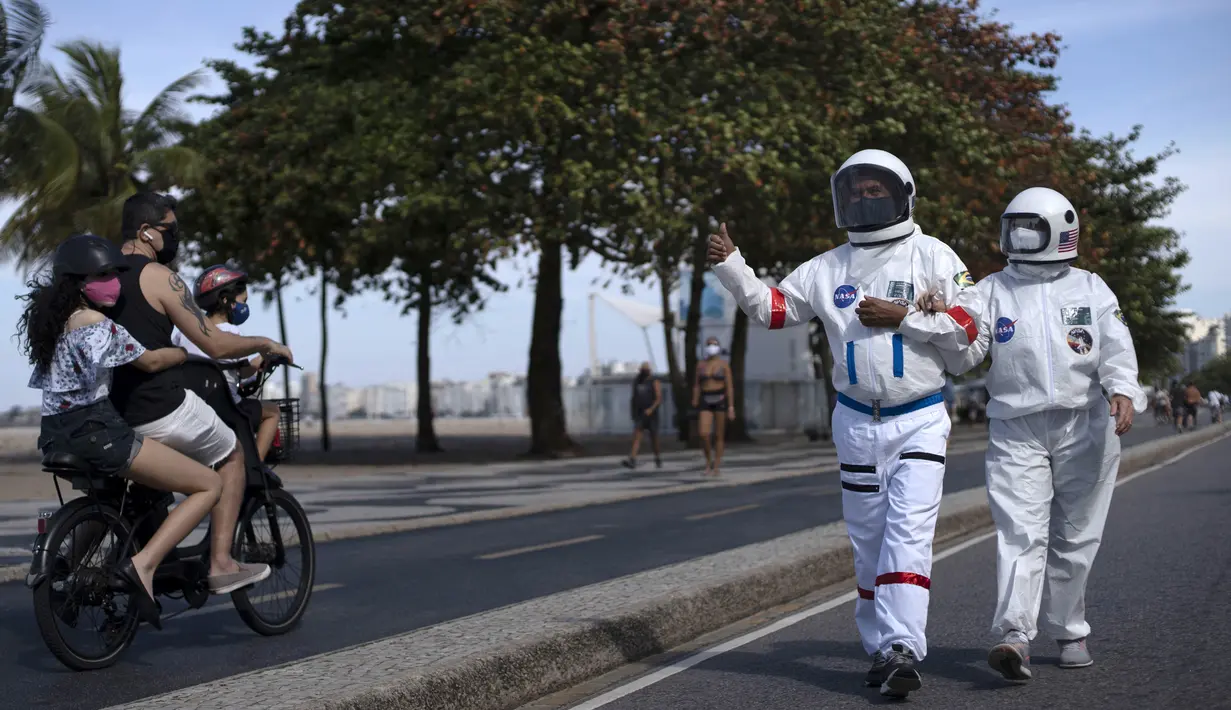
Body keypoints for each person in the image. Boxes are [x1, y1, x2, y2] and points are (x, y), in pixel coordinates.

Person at [708, 149, 984, 698]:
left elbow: (972, 327)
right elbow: (774, 310)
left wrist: (906, 315)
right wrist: (733, 265)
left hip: (921, 417)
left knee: (908, 531)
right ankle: (881, 645)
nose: (863, 198)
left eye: (875, 189)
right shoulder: (827, 266)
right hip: (855, 422)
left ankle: (904, 644)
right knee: (868, 540)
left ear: (902, 194)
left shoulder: (933, 255)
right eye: (854, 190)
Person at [928, 187, 1147, 681]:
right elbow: (965, 352)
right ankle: (1014, 636)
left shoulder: (1091, 289)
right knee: (1019, 531)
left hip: (1086, 421)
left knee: (1075, 534)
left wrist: (1123, 390)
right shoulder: (990, 289)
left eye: (1031, 227)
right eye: (1014, 228)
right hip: (1015, 426)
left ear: (1060, 231)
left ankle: (1070, 630)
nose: (1019, 237)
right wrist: (940, 318)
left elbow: (1116, 347)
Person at [18, 234, 225, 629]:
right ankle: (143, 567)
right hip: (97, 429)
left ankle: (63, 574)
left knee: (117, 498)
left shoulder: (54, 326)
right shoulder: (96, 323)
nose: (113, 281)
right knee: (208, 485)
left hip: (54, 434)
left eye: (115, 273)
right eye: (104, 275)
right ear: (79, 282)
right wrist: (183, 353)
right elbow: (149, 361)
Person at [104, 191, 291, 595]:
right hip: (157, 406)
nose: (175, 239)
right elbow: (216, 346)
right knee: (231, 456)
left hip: (110, 411)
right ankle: (221, 563)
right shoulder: (159, 277)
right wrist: (264, 343)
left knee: (142, 489)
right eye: (170, 230)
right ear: (146, 232)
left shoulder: (100, 276)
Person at [172, 265, 281, 462]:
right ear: (225, 300)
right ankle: (255, 466)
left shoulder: (184, 333)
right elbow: (245, 370)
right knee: (272, 411)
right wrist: (263, 359)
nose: (244, 307)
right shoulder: (231, 333)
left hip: (192, 409)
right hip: (226, 408)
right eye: (243, 301)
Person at [691, 336, 734, 477]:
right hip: (705, 399)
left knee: (719, 435)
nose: (711, 347)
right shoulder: (700, 365)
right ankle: (708, 461)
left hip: (720, 398)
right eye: (709, 344)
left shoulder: (723, 365)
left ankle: (716, 465)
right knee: (703, 433)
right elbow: (697, 384)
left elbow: (729, 387)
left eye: (714, 344)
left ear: (718, 347)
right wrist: (695, 399)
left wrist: (731, 406)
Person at [622, 362, 662, 470]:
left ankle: (657, 457)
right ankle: (632, 459)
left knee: (654, 438)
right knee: (637, 436)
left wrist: (651, 409)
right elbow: (633, 397)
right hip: (640, 413)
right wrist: (633, 412)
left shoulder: (654, 381)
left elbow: (658, 398)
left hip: (652, 415)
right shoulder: (637, 381)